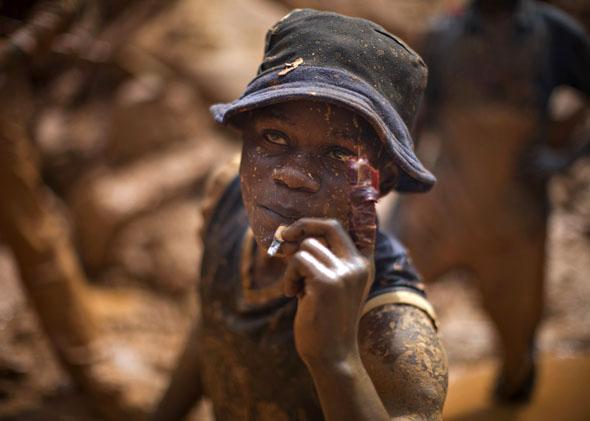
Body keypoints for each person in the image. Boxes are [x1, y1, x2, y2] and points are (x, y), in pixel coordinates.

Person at [153, 9, 447, 421]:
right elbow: (212, 323)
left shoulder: (393, 332)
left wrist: (336, 360)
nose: (293, 175)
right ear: (245, 138)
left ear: (382, 181)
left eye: (339, 153)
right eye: (275, 137)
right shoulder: (226, 198)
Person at [388, 0, 590, 404]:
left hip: (516, 217)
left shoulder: (552, 34)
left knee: (518, 359)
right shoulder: (443, 34)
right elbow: (418, 118)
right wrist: (401, 194)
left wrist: (563, 156)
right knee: (384, 299)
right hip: (443, 206)